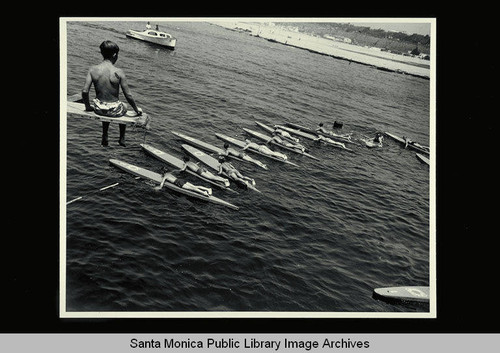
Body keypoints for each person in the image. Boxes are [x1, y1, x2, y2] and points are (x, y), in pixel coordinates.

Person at [82, 40, 142, 147]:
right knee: (124, 105)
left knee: (105, 105)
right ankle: (121, 138)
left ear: (102, 53)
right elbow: (128, 95)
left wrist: (87, 106)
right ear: (115, 55)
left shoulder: (93, 70)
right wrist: (137, 110)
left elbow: (85, 91)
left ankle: (105, 135)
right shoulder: (119, 72)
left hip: (98, 109)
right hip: (115, 111)